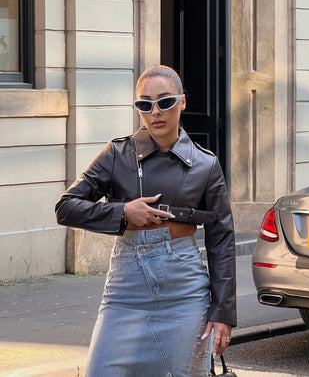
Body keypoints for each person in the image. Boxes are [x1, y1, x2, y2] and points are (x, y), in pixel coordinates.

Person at [55, 65, 236, 377]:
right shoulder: (116, 153)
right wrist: (123, 213)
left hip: (185, 291)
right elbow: (66, 207)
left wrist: (223, 312)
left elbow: (221, 239)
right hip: (126, 291)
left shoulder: (206, 164)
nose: (155, 112)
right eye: (144, 104)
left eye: (164, 102)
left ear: (182, 102)